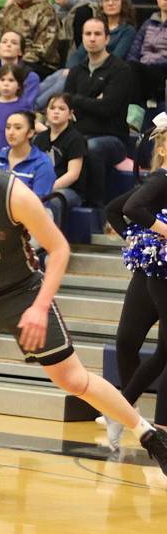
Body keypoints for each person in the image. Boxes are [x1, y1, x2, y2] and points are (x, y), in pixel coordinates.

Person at [0, 110, 167, 495]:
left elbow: (59, 248)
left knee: (73, 379)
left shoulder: (14, 193)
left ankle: (149, 436)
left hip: (21, 293)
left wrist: (39, 306)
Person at [105, 113, 167, 447]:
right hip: (158, 272)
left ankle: (123, 411)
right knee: (137, 344)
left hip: (157, 272)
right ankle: (125, 411)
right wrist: (147, 236)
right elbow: (123, 208)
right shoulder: (162, 178)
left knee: (161, 350)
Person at [65, 16, 131, 208]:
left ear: (107, 38)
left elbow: (108, 108)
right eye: (88, 34)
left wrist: (78, 101)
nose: (92, 38)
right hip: (80, 134)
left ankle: (95, 208)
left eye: (97, 34)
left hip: (113, 138)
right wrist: (93, 101)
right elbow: (67, 103)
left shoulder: (120, 69)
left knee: (92, 147)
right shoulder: (76, 70)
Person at [35, 0, 135, 111]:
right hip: (83, 67)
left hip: (102, 72)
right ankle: (28, 102)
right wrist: (71, 69)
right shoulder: (95, 26)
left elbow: (117, 55)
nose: (110, 3)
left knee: (64, 80)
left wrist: (75, 72)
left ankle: (34, 107)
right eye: (106, 0)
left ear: (123, 3)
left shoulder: (127, 30)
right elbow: (78, 54)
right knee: (56, 76)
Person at [32, 93, 86, 217]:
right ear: (46, 112)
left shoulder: (76, 138)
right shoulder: (40, 138)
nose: (56, 112)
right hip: (43, 187)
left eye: (61, 109)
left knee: (53, 201)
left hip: (70, 190)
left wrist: (46, 188)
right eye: (52, 108)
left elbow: (73, 174)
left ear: (70, 114)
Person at [0, 109, 55, 198]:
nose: (11, 132)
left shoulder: (43, 163)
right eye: (8, 127)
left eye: (18, 128)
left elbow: (39, 203)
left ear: (30, 133)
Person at [125, 0, 167, 111]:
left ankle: (135, 119)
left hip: (163, 70)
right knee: (128, 69)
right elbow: (134, 50)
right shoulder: (148, 23)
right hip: (142, 69)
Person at [0, 63, 31, 153]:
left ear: (19, 85)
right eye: (2, 80)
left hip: (14, 152)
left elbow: (32, 126)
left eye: (11, 80)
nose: (6, 84)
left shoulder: (23, 105)